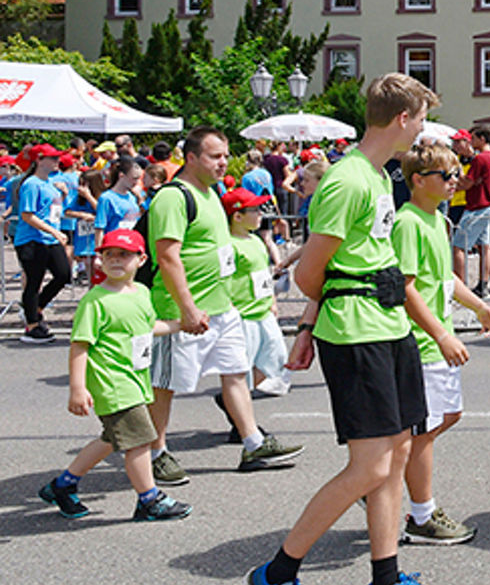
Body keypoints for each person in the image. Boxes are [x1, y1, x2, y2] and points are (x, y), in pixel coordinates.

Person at [247, 73, 455, 585]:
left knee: (398, 451)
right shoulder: (348, 180)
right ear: (404, 119)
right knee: (370, 467)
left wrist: (316, 319)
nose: (425, 129)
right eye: (423, 118)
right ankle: (278, 572)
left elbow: (345, 262)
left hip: (389, 327)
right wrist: (317, 320)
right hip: (358, 331)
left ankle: (386, 581)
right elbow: (310, 272)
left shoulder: (380, 178)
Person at [146, 127, 302, 489]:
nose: (222, 162)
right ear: (191, 158)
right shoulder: (173, 197)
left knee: (235, 372)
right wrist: (185, 308)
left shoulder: (212, 193)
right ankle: (155, 453)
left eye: (224, 155)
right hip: (180, 308)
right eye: (215, 156)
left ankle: (254, 444)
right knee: (164, 383)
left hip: (221, 305)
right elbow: (168, 257)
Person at [38, 228, 192, 522]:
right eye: (109, 254)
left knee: (112, 438)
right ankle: (149, 499)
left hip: (135, 378)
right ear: (100, 261)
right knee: (140, 440)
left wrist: (177, 325)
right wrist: (77, 388)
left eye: (124, 254)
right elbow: (80, 345)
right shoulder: (95, 301)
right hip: (112, 383)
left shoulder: (142, 293)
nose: (116, 260)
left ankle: (63, 485)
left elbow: (146, 327)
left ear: (142, 259)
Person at [393, 141, 490, 546]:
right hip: (421, 344)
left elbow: (445, 280)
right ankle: (420, 516)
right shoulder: (407, 223)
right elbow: (405, 288)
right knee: (422, 432)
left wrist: (479, 307)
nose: (455, 180)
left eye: (457, 173)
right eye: (447, 175)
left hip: (437, 339)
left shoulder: (438, 221)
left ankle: (382, 481)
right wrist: (440, 334)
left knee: (444, 418)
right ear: (419, 181)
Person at [222, 188, 291, 407]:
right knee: (243, 365)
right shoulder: (228, 245)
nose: (261, 213)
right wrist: (229, 306)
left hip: (263, 311)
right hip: (243, 315)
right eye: (255, 210)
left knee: (277, 356)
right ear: (238, 216)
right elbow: (222, 279)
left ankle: (238, 400)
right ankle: (237, 406)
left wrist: (272, 299)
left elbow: (262, 274)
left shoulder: (256, 241)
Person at [16, 143, 72, 343]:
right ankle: (32, 325)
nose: (58, 161)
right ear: (39, 160)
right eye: (53, 158)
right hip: (32, 239)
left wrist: (64, 195)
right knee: (34, 280)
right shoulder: (31, 184)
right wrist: (54, 231)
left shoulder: (51, 183)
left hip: (50, 237)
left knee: (64, 274)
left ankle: (35, 308)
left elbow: (54, 212)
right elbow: (27, 215)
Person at [452, 127, 490, 296]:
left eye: (473, 138)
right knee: (485, 246)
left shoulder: (480, 158)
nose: (471, 141)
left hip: (477, 206)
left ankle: (459, 287)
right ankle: (483, 284)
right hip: (487, 203)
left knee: (458, 247)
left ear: (482, 139)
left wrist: (457, 177)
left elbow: (467, 183)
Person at [95, 158, 142, 246]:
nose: (136, 183)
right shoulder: (106, 198)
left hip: (131, 243)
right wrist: (99, 252)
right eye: (134, 179)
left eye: (138, 179)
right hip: (114, 244)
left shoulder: (132, 196)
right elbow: (99, 227)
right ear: (121, 176)